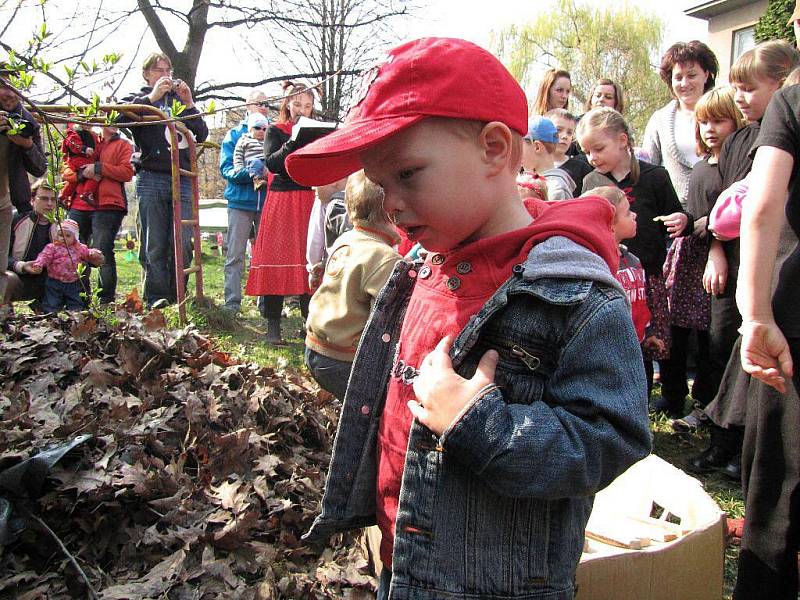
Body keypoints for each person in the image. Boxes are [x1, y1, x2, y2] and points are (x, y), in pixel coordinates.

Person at [284, 37, 651, 600]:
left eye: (408, 175)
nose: (392, 204)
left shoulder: (572, 294)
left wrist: (480, 422)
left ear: (496, 149)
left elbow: (612, 436)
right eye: (382, 186)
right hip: (402, 559)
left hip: (490, 584)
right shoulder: (420, 264)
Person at [687, 40, 800, 475]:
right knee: (738, 357)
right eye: (736, 89)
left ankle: (734, 450)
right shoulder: (744, 140)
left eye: (750, 89)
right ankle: (727, 445)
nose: (740, 98)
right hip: (747, 267)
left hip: (773, 266)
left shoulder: (772, 125)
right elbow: (732, 208)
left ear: (782, 82)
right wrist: (714, 245)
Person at [577, 107, 691, 398]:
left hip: (648, 276)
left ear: (623, 140)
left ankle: (672, 396)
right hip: (611, 277)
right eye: (587, 151)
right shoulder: (591, 182)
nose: (592, 158)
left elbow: (676, 215)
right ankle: (620, 398)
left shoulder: (655, 176)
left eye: (598, 148)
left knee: (655, 338)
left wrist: (682, 220)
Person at [662, 88, 744, 432]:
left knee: (715, 339)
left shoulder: (734, 166)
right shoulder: (700, 167)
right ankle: (685, 400)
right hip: (690, 263)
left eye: (718, 120)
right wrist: (684, 219)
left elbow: (724, 218)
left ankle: (711, 408)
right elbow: (697, 213)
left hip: (719, 261)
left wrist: (713, 249)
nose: (710, 128)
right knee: (686, 336)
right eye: (704, 121)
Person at [121, 52, 209, 308]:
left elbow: (201, 134)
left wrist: (190, 102)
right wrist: (152, 98)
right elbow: (117, 118)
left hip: (180, 178)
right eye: (159, 70)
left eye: (168, 70)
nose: (166, 76)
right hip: (151, 177)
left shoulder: (179, 103)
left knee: (182, 241)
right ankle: (156, 298)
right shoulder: (138, 100)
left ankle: (179, 294)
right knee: (154, 243)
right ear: (147, 74)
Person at [305, 170, 401, 400]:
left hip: (316, 348)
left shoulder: (345, 240)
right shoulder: (385, 258)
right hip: (344, 358)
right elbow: (390, 316)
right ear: (392, 213)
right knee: (373, 403)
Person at [246, 81, 317, 344]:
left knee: (309, 260)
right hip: (282, 199)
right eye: (297, 104)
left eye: (308, 106)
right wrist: (296, 139)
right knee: (277, 258)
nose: (302, 109)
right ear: (287, 103)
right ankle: (273, 328)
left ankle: (310, 327)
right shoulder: (275, 130)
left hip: (309, 198)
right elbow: (273, 163)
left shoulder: (317, 130)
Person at [63, 124, 134, 305]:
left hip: (108, 204)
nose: (112, 122)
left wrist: (99, 168)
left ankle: (105, 300)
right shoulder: (85, 138)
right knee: (74, 250)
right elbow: (66, 167)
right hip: (79, 203)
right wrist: (80, 174)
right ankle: (78, 298)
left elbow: (127, 172)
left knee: (103, 251)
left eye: (115, 117)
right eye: (107, 117)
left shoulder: (124, 145)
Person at [643, 41, 718, 207]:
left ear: (706, 75)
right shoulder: (659, 119)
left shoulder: (724, 113)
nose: (685, 83)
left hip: (717, 212)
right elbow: (647, 169)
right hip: (673, 214)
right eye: (678, 77)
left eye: (691, 75)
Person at [219, 89, 270, 314]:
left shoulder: (272, 133)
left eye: (267, 104)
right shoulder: (234, 135)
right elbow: (226, 168)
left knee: (265, 256)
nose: (263, 107)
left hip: (267, 202)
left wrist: (268, 173)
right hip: (240, 201)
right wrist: (249, 174)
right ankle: (232, 303)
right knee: (235, 254)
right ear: (247, 105)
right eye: (258, 103)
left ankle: (266, 305)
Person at [0, 67, 46, 306]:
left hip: (6, 201)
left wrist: (25, 143)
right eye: (4, 86)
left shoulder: (26, 121)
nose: (10, 93)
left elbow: (40, 168)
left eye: (15, 88)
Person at [19, 218, 103, 312]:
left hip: (73, 281)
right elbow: (44, 256)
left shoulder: (79, 248)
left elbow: (88, 253)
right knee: (52, 301)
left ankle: (75, 315)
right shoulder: (52, 247)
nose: (63, 238)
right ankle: (50, 315)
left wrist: (94, 254)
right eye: (60, 235)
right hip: (54, 280)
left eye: (68, 236)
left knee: (75, 300)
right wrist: (39, 264)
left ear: (75, 237)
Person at [306, 176, 348, 290]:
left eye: (317, 184)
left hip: (332, 268)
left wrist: (313, 267)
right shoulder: (365, 196)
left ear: (335, 182)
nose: (314, 189)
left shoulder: (324, 204)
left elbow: (315, 240)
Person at [520, 116, 575, 200]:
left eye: (520, 146)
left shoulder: (555, 189)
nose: (516, 152)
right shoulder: (524, 180)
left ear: (537, 147)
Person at [545, 108, 593, 195]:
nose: (565, 136)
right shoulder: (533, 164)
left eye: (569, 132)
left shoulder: (581, 168)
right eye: (558, 130)